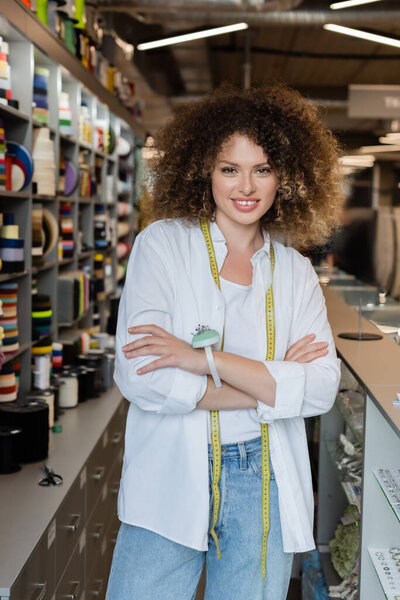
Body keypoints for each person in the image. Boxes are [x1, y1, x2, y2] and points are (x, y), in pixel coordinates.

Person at [106, 84, 343, 600]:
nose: (246, 186)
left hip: (265, 479)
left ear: (285, 176)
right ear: (204, 171)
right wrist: (274, 381)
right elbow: (141, 377)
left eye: (262, 169)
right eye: (229, 168)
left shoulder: (296, 271)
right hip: (170, 473)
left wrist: (200, 360)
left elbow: (321, 388)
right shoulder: (163, 246)